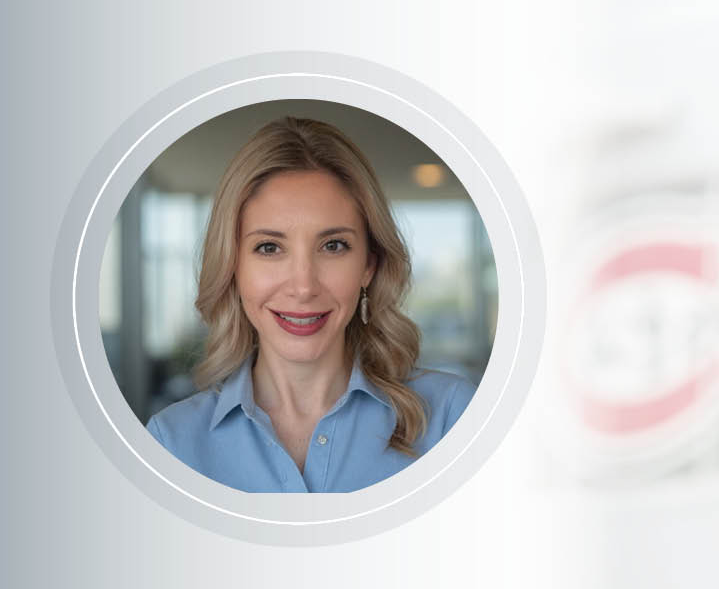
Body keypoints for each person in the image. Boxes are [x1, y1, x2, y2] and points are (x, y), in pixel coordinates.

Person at [146, 116, 475, 493]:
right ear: (233, 267)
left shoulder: (452, 418)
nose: (303, 287)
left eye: (333, 246)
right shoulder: (170, 444)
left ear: (369, 264)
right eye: (269, 248)